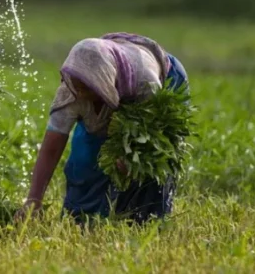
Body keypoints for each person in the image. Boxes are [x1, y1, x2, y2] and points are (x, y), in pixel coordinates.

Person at [16, 32, 190, 225]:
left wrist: (132, 158)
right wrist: (33, 200)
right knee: (84, 161)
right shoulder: (71, 92)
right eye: (78, 86)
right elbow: (51, 148)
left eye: (88, 88)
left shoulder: (146, 83)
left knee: (147, 171)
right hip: (116, 64)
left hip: (162, 79)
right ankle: (81, 220)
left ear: (104, 82)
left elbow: (153, 140)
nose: (81, 92)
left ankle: (144, 221)